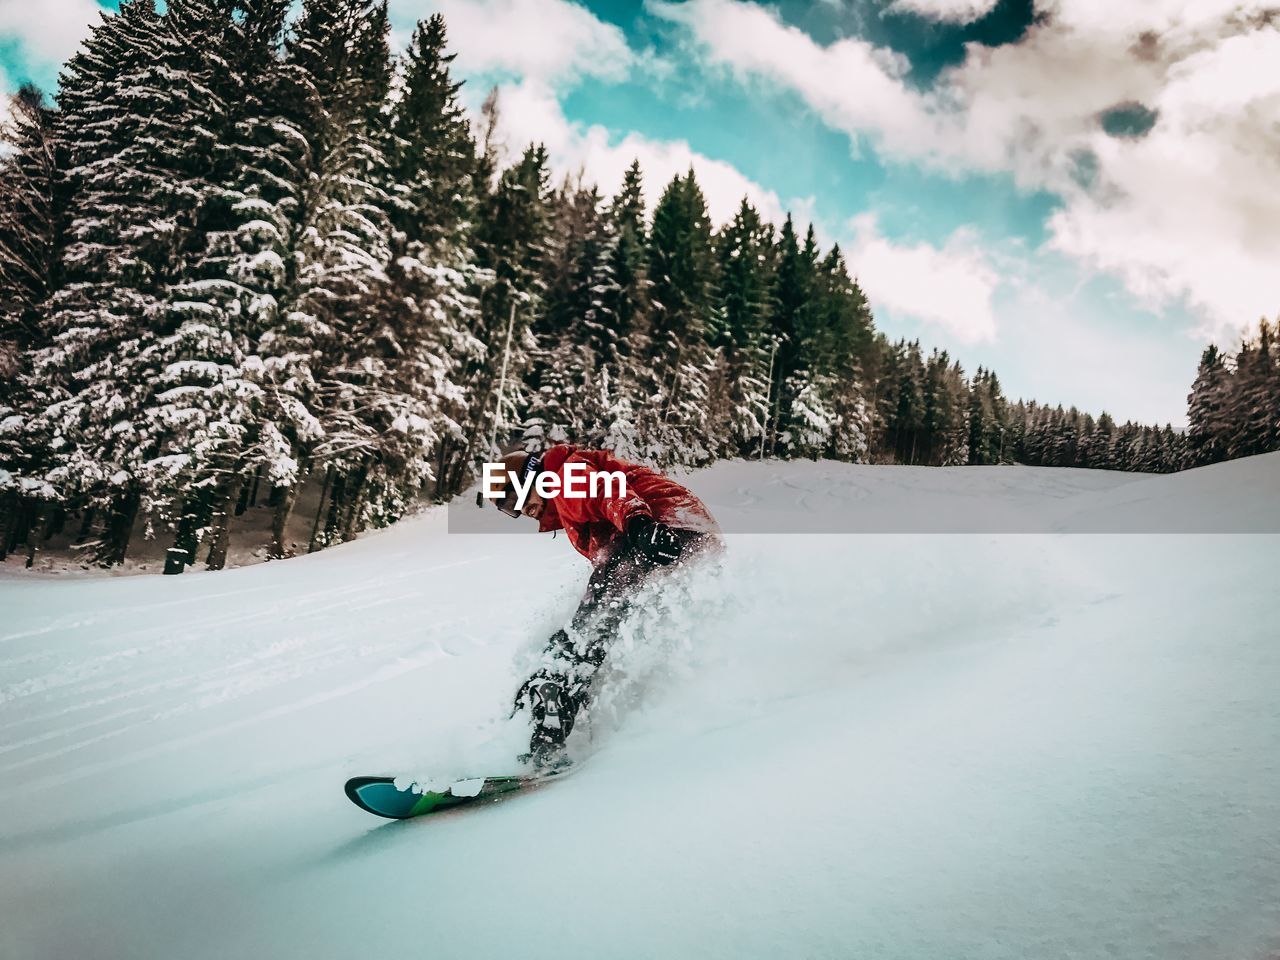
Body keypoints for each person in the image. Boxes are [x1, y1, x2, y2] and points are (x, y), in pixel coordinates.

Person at [489, 444, 722, 767]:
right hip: (678, 535)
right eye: (508, 510)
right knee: (602, 628)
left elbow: (607, 491)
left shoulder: (562, 476)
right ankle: (565, 712)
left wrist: (640, 525)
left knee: (589, 628)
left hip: (657, 531)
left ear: (531, 478)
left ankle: (549, 721)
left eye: (515, 500)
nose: (520, 512)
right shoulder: (565, 489)